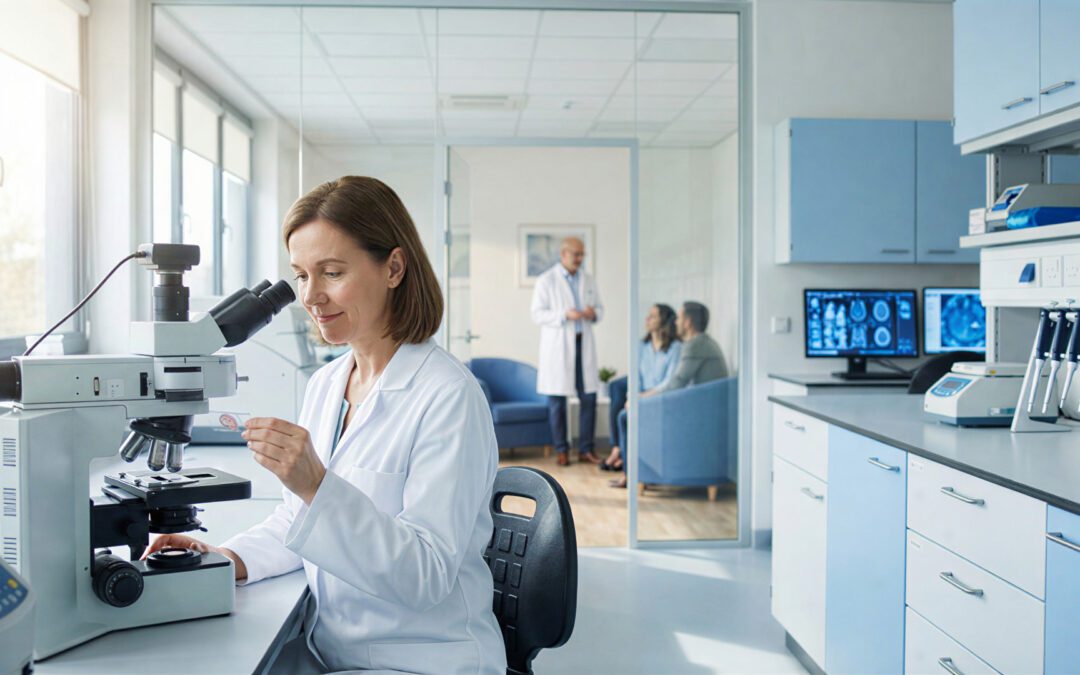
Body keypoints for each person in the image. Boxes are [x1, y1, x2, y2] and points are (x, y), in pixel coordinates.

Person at [144, 176, 506, 675]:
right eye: (300, 276)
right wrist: (224, 558)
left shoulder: (448, 396)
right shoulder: (328, 383)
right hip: (335, 653)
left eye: (331, 273)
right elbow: (299, 522)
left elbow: (425, 575)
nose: (311, 297)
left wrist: (317, 483)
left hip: (425, 660)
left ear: (394, 268)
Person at [609, 301, 727, 489]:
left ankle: (631, 475)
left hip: (698, 415)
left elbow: (675, 384)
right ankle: (632, 471)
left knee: (626, 417)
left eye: (679, 318)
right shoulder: (701, 343)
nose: (676, 322)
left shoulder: (694, 346)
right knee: (625, 411)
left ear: (687, 322)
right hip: (697, 408)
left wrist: (641, 399)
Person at [531, 236, 604, 466]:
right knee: (557, 401)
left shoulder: (588, 280)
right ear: (564, 254)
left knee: (589, 397)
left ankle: (586, 449)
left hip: (584, 344)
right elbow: (537, 314)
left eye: (583, 254)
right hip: (559, 347)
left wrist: (594, 313)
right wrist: (564, 314)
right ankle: (562, 449)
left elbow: (600, 308)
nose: (580, 259)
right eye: (576, 254)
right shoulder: (546, 280)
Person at [599, 303, 682, 472]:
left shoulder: (675, 348)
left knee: (624, 414)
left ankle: (621, 456)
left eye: (653, 316)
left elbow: (670, 382)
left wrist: (640, 399)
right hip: (643, 393)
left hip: (658, 396)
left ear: (664, 320)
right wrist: (633, 396)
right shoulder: (641, 346)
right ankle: (618, 449)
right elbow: (635, 377)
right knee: (617, 387)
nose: (647, 319)